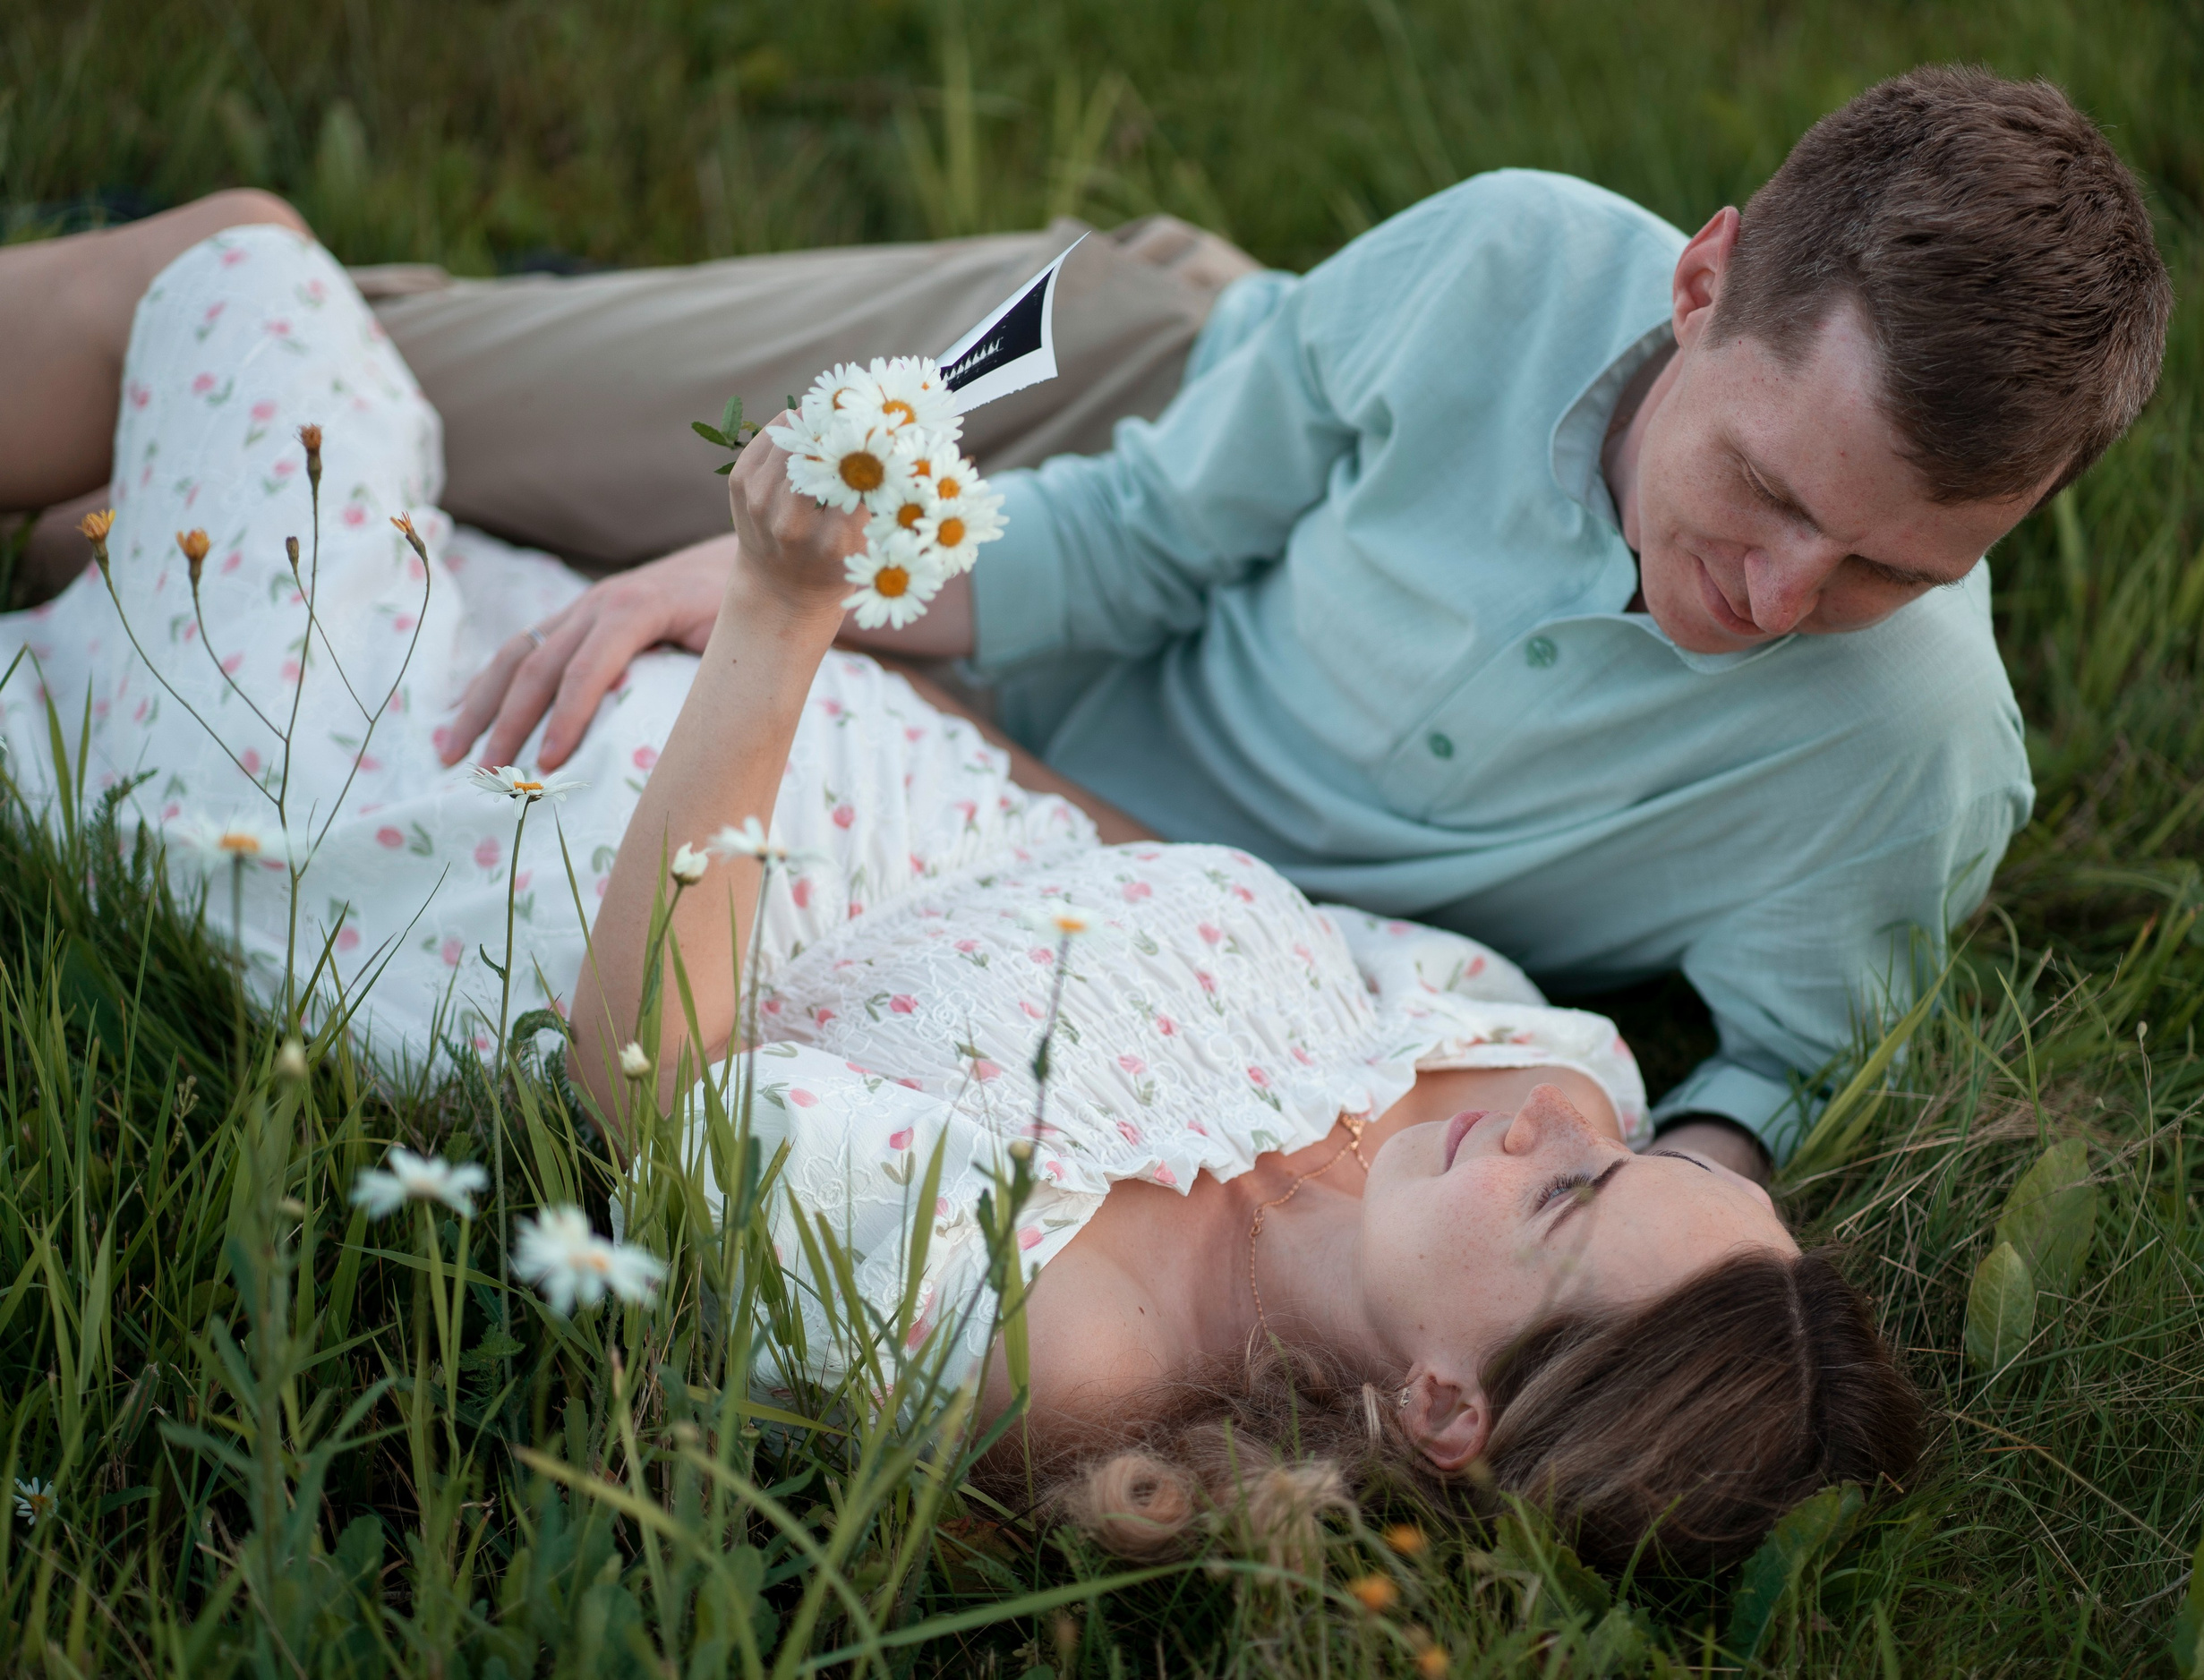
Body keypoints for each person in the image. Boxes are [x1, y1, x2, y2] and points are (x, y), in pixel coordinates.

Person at [0, 213, 1920, 1574]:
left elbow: (648, 1088)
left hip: (407, 807)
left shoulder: (1056, 1339)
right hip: (676, 671)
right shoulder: (1496, 1068)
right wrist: (841, 657)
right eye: (1630, 1149)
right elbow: (1097, 849)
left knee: (233, 271)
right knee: (212, 383)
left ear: (1442, 1413)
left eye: (1574, 1198)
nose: (1553, 1127)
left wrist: (778, 615)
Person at [172, 63, 2154, 1186]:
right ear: (1697, 283)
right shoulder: (1502, 254)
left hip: (1060, 841)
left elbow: (1770, 1079)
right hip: (1119, 394)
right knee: (365, 356)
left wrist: (1676, 1198)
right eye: (1771, 498)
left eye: (1895, 565)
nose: (1784, 601)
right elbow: (1125, 543)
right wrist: (786, 583)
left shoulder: (1912, 755)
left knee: (376, 545)